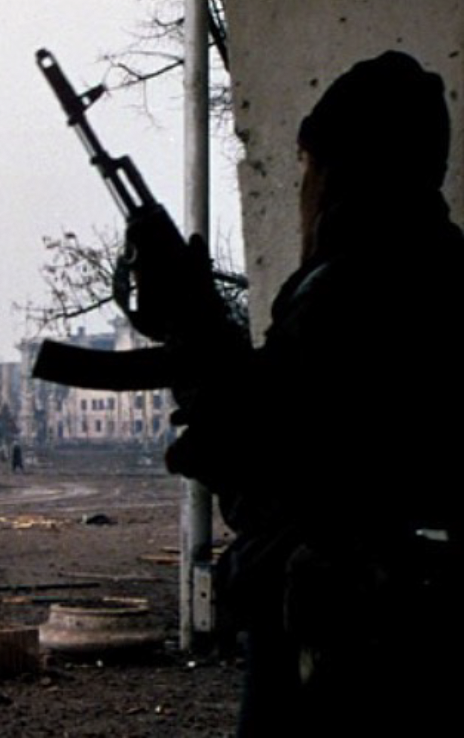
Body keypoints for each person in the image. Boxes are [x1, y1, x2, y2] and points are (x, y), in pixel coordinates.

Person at [161, 51, 464, 736]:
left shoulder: (348, 289)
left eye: (307, 165)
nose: (300, 186)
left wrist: (193, 327)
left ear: (342, 172)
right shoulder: (440, 267)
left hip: (348, 637)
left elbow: (269, 451)